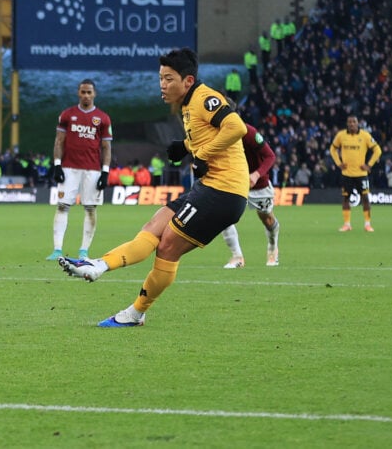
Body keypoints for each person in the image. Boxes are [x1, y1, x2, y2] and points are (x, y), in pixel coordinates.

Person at [59, 48, 249, 327]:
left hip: (224, 192)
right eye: (160, 77)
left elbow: (236, 128)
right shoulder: (187, 105)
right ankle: (98, 265)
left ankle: (135, 313)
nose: (162, 84)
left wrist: (201, 154)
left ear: (188, 81)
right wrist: (185, 146)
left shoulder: (204, 98)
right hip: (209, 187)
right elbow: (207, 133)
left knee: (167, 247)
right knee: (154, 226)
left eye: (169, 78)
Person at [46, 79, 112, 261]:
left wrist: (105, 171)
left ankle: (84, 250)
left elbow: (106, 147)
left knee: (90, 209)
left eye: (89, 92)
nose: (86, 95)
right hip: (68, 168)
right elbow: (59, 141)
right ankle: (57, 249)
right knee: (62, 206)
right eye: (83, 92)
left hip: (93, 170)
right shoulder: (67, 115)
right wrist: (57, 164)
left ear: (94, 94)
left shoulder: (103, 118)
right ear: (78, 93)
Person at [218, 122, 281, 268]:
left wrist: (256, 175)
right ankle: (237, 257)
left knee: (267, 219)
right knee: (223, 217)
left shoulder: (248, 132)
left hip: (257, 184)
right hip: (234, 182)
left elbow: (270, 156)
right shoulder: (216, 133)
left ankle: (272, 248)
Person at [329, 115, 382, 232]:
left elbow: (377, 150)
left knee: (365, 198)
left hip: (361, 174)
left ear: (358, 123)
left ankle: (367, 224)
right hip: (346, 173)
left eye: (354, 122)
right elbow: (332, 149)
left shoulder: (365, 135)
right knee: (345, 198)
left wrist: (369, 165)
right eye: (350, 122)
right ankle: (347, 224)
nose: (352, 124)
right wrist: (338, 163)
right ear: (347, 124)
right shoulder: (341, 135)